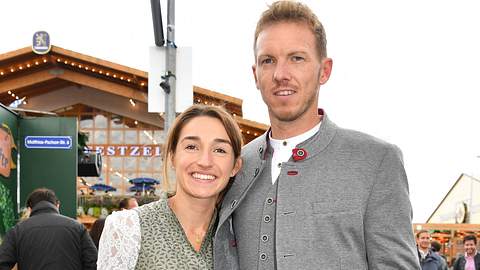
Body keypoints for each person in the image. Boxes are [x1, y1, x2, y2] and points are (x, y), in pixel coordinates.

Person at [213, 1, 420, 269]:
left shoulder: (376, 161)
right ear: (255, 74)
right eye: (268, 60)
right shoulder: (237, 164)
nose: (280, 74)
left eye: (296, 58)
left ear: (324, 70)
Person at [97, 104, 243, 269]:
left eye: (220, 150)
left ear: (235, 166)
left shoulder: (239, 236)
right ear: (172, 157)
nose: (204, 161)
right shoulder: (127, 228)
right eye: (191, 147)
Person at [0, 188, 97, 270]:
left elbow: (2, 263)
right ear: (57, 205)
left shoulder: (17, 231)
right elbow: (93, 262)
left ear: (29, 209)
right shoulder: (77, 227)